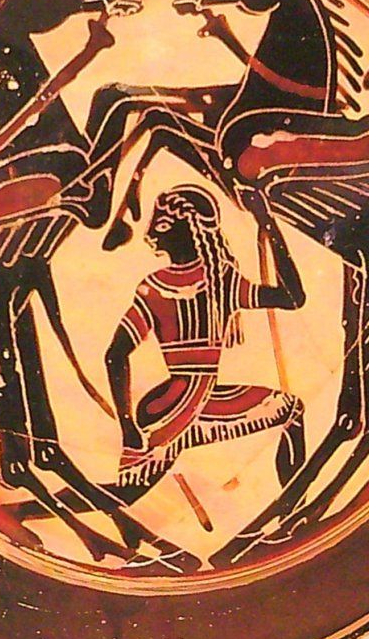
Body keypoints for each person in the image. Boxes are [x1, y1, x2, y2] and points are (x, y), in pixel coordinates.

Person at [104, 184, 306, 505]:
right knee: (125, 494)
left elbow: (292, 298)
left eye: (162, 225)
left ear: (191, 231)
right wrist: (127, 425)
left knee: (290, 409)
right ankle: (37, 506)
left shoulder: (220, 280)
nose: (150, 234)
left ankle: (294, 511)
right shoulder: (158, 287)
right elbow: (114, 355)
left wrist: (269, 225)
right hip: (172, 404)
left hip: (198, 399)